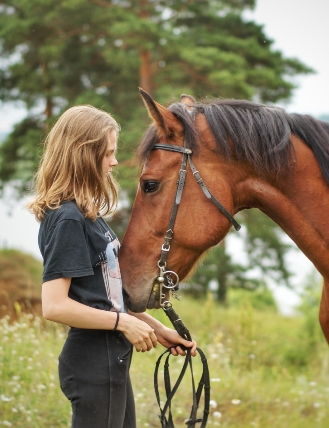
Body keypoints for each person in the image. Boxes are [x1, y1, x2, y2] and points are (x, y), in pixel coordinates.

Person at [28, 105, 197, 428]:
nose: (115, 161)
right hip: (92, 365)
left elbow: (105, 296)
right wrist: (123, 323)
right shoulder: (68, 219)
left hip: (109, 362)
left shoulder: (87, 216)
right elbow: (54, 306)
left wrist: (159, 330)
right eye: (108, 153)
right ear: (83, 154)